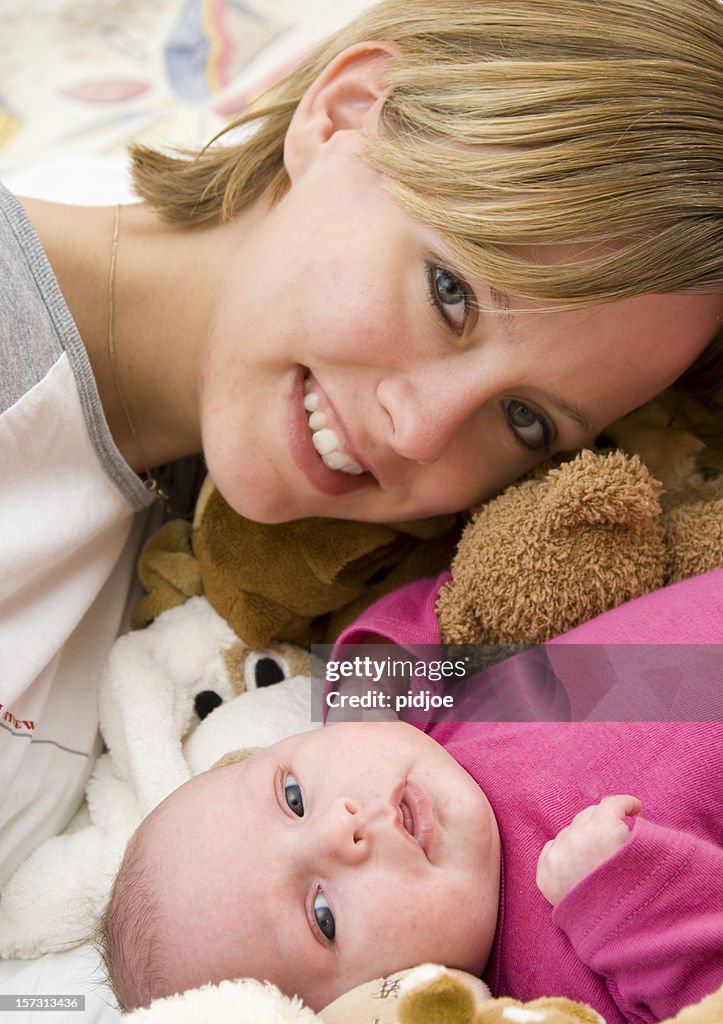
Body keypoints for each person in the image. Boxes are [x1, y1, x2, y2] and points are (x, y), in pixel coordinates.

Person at [1, 0, 722, 886]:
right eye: (450, 293)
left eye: (525, 419)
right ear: (346, 111)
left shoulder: (244, 574)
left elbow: (674, 681)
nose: (420, 434)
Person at [100, 719, 723, 1022]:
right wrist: (630, 904)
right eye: (323, 916)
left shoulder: (431, 718)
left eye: (292, 796)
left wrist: (375, 646)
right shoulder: (551, 993)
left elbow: (471, 606)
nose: (338, 828)